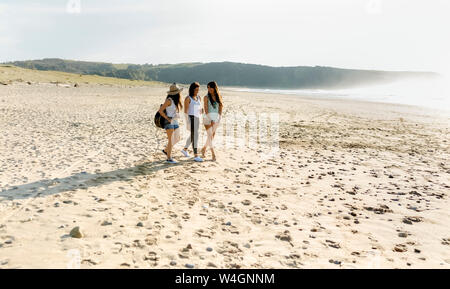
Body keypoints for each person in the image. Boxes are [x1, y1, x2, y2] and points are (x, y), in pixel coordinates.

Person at [159, 83, 183, 164]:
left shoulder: (176, 101)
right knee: (171, 140)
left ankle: (166, 150)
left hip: (175, 121)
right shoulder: (169, 100)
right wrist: (167, 118)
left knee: (177, 138)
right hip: (168, 122)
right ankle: (169, 158)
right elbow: (160, 110)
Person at [181, 82, 204, 162]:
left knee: (193, 135)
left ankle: (185, 149)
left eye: (198, 90)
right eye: (196, 90)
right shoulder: (188, 98)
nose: (197, 91)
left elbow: (199, 110)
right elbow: (185, 112)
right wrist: (187, 122)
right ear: (192, 89)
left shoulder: (199, 97)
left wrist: (202, 111)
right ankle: (195, 155)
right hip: (191, 118)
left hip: (197, 118)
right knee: (195, 136)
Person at [201, 81, 223, 161]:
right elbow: (206, 110)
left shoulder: (219, 96)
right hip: (207, 118)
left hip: (216, 119)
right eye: (208, 87)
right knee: (210, 135)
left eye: (210, 87)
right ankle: (213, 154)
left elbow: (220, 108)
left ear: (214, 88)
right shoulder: (206, 97)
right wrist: (211, 120)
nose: (209, 89)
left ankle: (203, 149)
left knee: (212, 136)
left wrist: (219, 118)